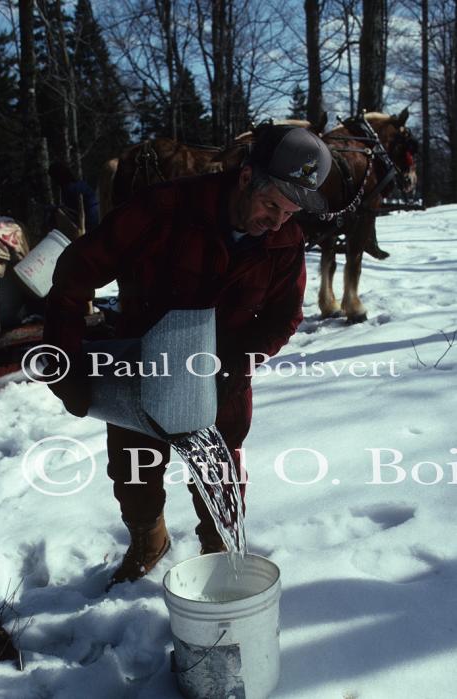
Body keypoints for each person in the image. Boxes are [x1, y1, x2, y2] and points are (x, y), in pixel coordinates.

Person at [42, 125, 332, 588]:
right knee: (133, 470)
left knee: (220, 475)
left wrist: (240, 364)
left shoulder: (284, 240)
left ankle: (221, 556)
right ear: (246, 178)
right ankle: (148, 540)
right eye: (272, 205)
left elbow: (285, 317)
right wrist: (65, 357)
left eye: (290, 211)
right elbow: (76, 270)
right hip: (142, 365)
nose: (277, 221)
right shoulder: (165, 209)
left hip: (222, 374)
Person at [48, 161, 100, 234]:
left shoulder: (69, 189)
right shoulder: (80, 184)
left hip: (90, 222)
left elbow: (73, 211)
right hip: (98, 216)